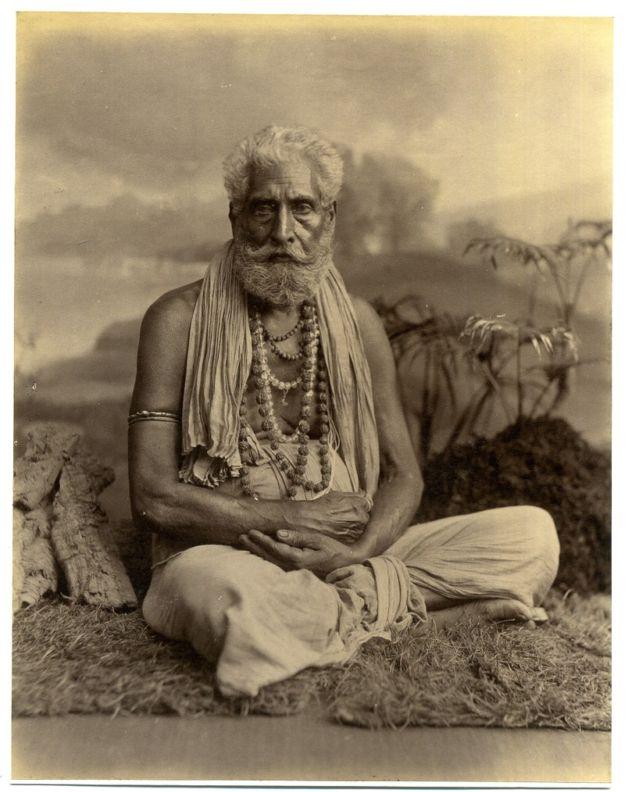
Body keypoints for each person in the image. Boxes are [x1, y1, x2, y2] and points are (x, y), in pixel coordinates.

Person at [129, 125, 559, 697]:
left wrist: (353, 552)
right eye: (264, 209)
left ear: (329, 219)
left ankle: (341, 602)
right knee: (238, 604)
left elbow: (404, 474)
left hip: (347, 551)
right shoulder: (176, 320)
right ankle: (424, 611)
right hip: (220, 554)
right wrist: (293, 519)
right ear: (235, 217)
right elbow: (153, 496)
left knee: (532, 536)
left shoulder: (358, 324)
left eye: (302, 208)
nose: (283, 231)